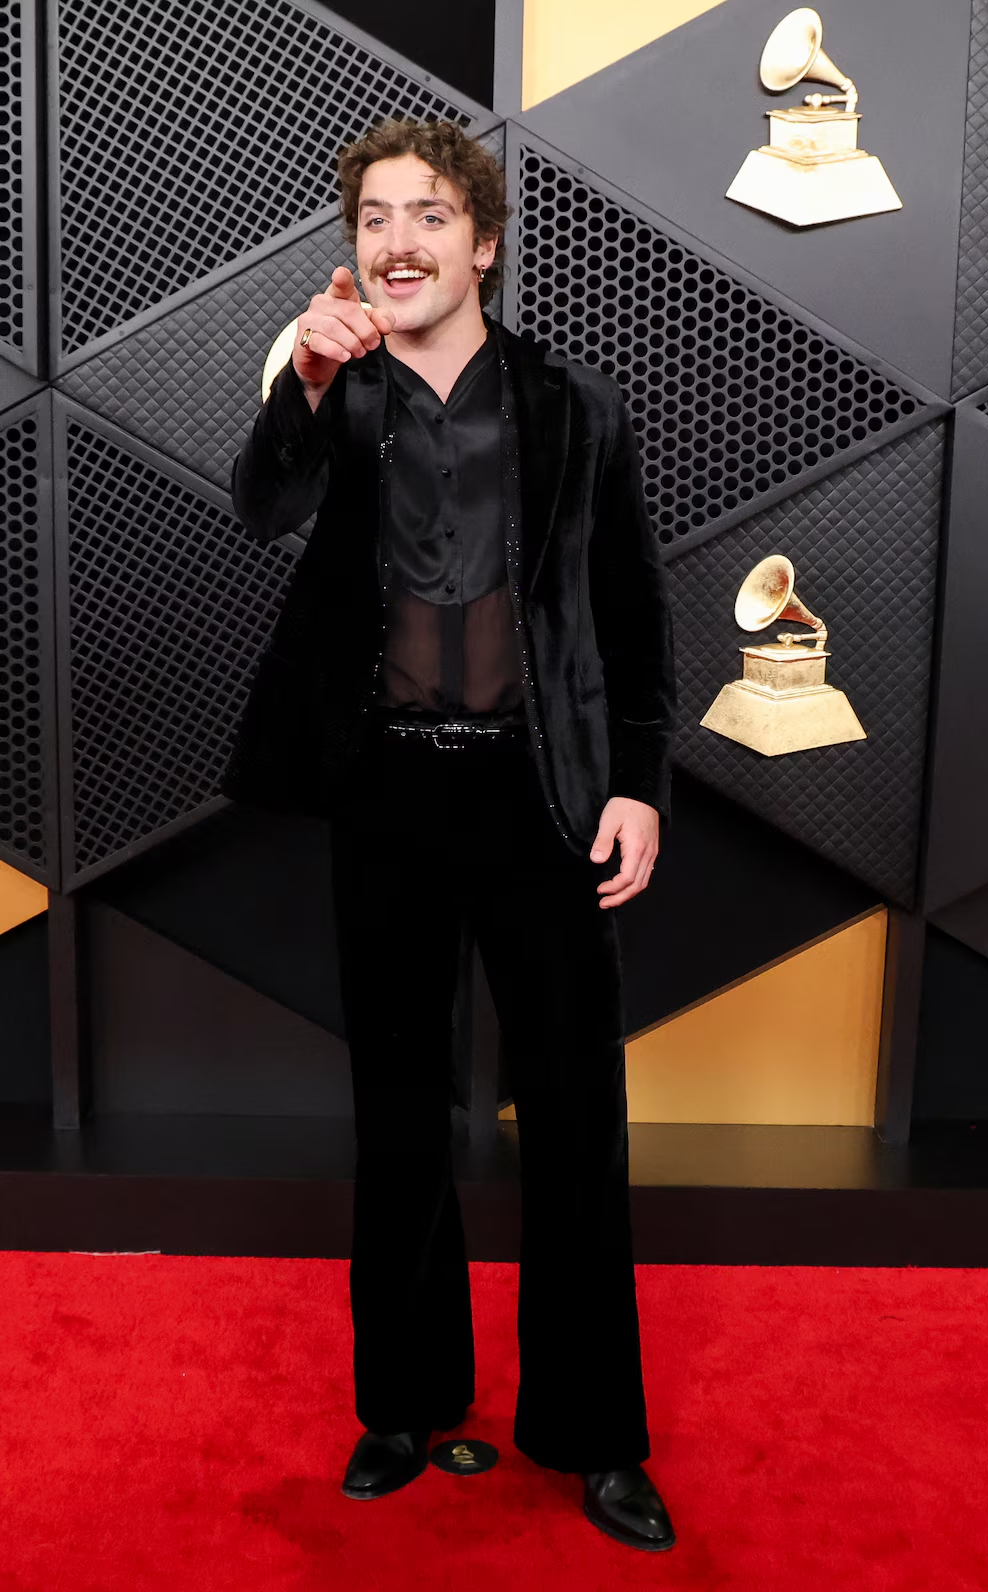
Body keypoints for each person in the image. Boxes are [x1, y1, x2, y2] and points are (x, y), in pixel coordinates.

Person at [220, 116, 678, 1552]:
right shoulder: (332, 389)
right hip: (389, 801)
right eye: (374, 217)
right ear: (354, 248)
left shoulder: (574, 402)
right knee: (400, 1112)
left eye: (428, 215)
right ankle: (405, 1404)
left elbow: (630, 607)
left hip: (545, 800)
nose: (398, 240)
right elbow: (259, 507)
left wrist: (639, 782)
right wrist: (302, 383)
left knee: (578, 1123)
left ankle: (595, 1434)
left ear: (481, 243)